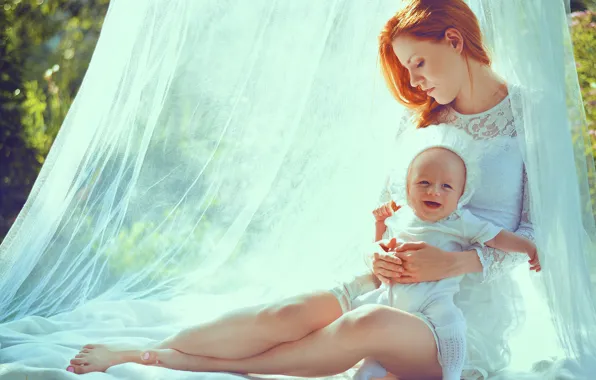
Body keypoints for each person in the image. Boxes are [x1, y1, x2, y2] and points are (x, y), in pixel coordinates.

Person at [66, 0, 535, 378]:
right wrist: (380, 254)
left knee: (364, 325)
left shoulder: (530, 117)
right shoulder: (423, 124)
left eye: (418, 63)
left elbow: (544, 242)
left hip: (455, 319)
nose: (414, 82)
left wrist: (454, 261)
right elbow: (391, 210)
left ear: (454, 40)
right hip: (391, 285)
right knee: (284, 315)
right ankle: (147, 351)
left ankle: (182, 362)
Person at [350, 124, 538, 380]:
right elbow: (383, 244)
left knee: (453, 327)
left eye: (446, 187)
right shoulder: (402, 215)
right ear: (407, 187)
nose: (434, 191)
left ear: (461, 194)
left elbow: (497, 237)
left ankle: (451, 374)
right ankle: (369, 367)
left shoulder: (460, 220)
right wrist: (379, 224)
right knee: (364, 320)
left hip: (434, 300)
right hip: (393, 293)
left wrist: (527, 246)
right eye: (424, 183)